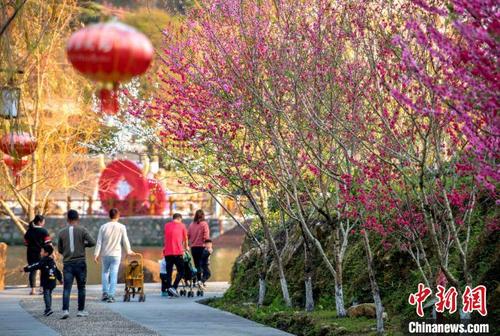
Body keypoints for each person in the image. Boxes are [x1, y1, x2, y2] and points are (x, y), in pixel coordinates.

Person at [57, 209, 95, 319]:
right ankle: (80, 310)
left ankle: (65, 310)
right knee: (81, 287)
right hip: (80, 263)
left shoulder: (61, 232)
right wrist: (83, 244)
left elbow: (59, 249)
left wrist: (66, 251)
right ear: (78, 219)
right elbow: (92, 242)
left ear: (67, 219)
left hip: (68, 263)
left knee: (67, 288)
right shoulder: (82, 230)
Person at [94, 208, 135, 303]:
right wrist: (128, 251)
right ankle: (111, 295)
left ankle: (105, 293)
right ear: (118, 216)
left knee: (105, 273)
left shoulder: (103, 227)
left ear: (109, 216)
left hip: (105, 254)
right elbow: (125, 240)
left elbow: (99, 242)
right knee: (113, 274)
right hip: (116, 254)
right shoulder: (122, 227)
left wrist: (96, 254)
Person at [20, 244, 62, 316]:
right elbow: (57, 271)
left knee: (46, 294)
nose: (40, 252)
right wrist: (60, 279)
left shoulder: (43, 261)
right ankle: (48, 308)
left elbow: (35, 266)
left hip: (46, 281)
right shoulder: (52, 261)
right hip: (52, 281)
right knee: (49, 294)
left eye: (42, 251)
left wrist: (25, 269)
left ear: (46, 253)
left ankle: (48, 309)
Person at [24, 215, 52, 295]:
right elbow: (48, 243)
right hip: (41, 253)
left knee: (32, 270)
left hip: (30, 253)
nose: (44, 223)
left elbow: (26, 243)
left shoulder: (29, 231)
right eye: (43, 221)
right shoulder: (44, 231)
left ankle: (33, 290)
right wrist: (51, 253)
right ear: (40, 222)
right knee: (43, 271)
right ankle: (42, 289)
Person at [163, 213, 188, 297]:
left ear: (173, 218)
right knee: (181, 271)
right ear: (180, 219)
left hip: (167, 253)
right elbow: (185, 238)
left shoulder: (166, 225)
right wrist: (186, 247)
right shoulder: (182, 225)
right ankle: (174, 287)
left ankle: (170, 289)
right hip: (178, 252)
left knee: (169, 272)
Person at [187, 209, 210, 285]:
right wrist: (209, 247)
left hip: (193, 248)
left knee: (197, 265)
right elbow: (206, 236)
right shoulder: (204, 224)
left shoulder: (191, 224)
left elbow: (188, 236)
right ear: (203, 215)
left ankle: (199, 280)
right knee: (203, 265)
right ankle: (201, 281)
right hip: (202, 247)